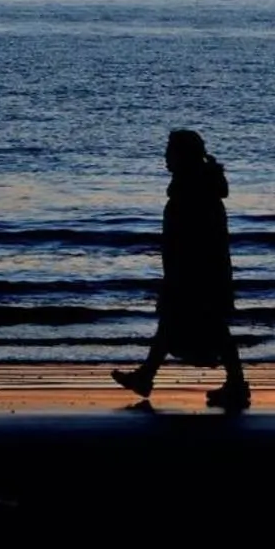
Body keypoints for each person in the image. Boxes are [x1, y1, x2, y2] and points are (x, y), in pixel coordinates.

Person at [113, 129, 251, 410]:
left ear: (182, 156)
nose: (165, 157)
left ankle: (235, 384)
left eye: (170, 152)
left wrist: (179, 273)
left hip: (195, 273)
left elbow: (192, 238)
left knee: (205, 326)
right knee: (178, 324)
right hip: (200, 271)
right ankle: (147, 376)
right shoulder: (197, 186)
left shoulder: (193, 190)